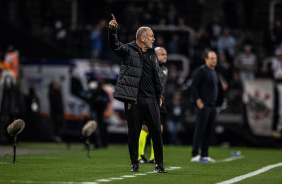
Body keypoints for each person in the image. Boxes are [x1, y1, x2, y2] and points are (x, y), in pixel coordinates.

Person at [108, 14, 167, 173]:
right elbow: (114, 45)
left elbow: (156, 78)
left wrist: (159, 95)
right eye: (151, 36)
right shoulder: (128, 50)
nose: (153, 39)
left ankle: (159, 165)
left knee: (156, 131)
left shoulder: (152, 55)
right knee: (134, 132)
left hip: (151, 99)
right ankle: (135, 164)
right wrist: (112, 31)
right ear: (142, 38)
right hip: (133, 99)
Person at [190, 50, 224, 162]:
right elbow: (193, 86)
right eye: (212, 58)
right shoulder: (201, 71)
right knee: (200, 130)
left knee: (209, 131)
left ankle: (204, 154)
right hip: (204, 106)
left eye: (215, 58)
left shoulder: (214, 72)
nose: (214, 60)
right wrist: (198, 101)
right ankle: (195, 154)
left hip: (212, 106)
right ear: (206, 59)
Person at [138, 47, 168, 164]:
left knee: (158, 128)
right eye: (162, 54)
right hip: (148, 101)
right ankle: (140, 155)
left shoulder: (165, 69)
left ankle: (153, 157)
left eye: (165, 54)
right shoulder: (147, 67)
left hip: (161, 102)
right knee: (145, 127)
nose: (165, 56)